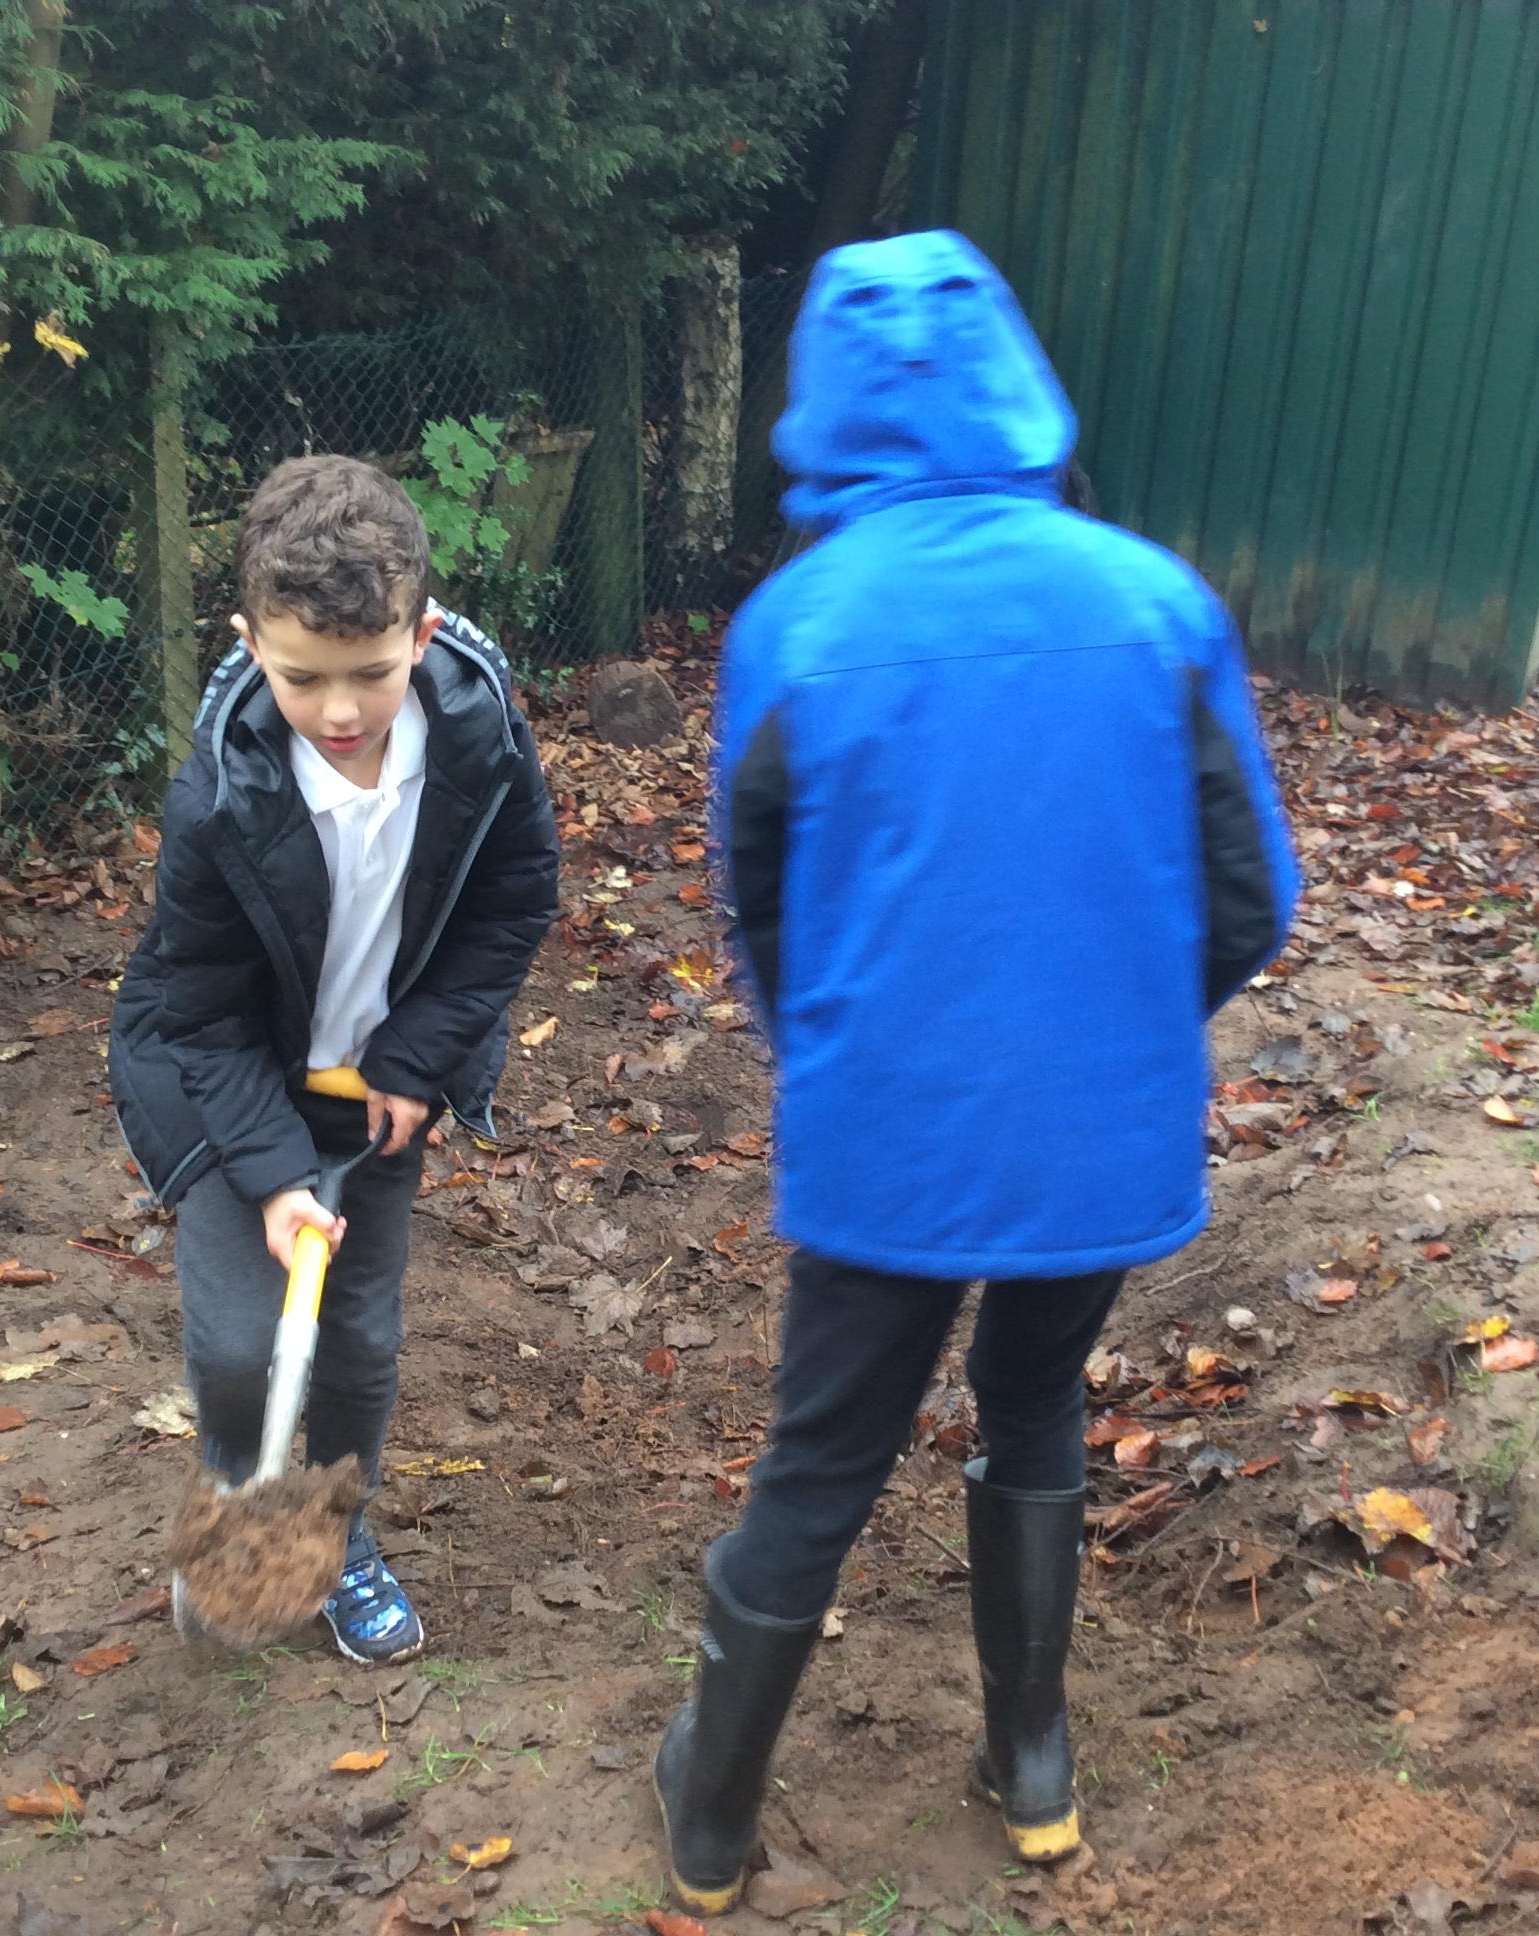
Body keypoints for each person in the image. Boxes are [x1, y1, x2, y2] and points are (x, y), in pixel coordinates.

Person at [652, 230, 1300, 1913]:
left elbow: (760, 907)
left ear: (821, 402)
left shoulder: (793, 626)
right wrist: (1127, 1027)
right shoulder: (1156, 601)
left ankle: (710, 1818)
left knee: (822, 1456)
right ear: (1017, 374)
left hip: (888, 1135)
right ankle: (1032, 1766)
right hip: (1100, 1133)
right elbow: (1252, 899)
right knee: (1033, 1396)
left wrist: (833, 1055)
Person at [111, 455, 558, 1664]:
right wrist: (269, 1176)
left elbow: (511, 907)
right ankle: (239, 1484)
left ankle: (338, 1529)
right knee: (238, 1346)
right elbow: (201, 1011)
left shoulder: (482, 751)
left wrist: (418, 1058)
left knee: (357, 1342)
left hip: (376, 1098)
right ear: (250, 642)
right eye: (304, 677)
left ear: (422, 633)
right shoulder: (220, 798)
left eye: (372, 672)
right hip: (236, 1093)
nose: (342, 710)